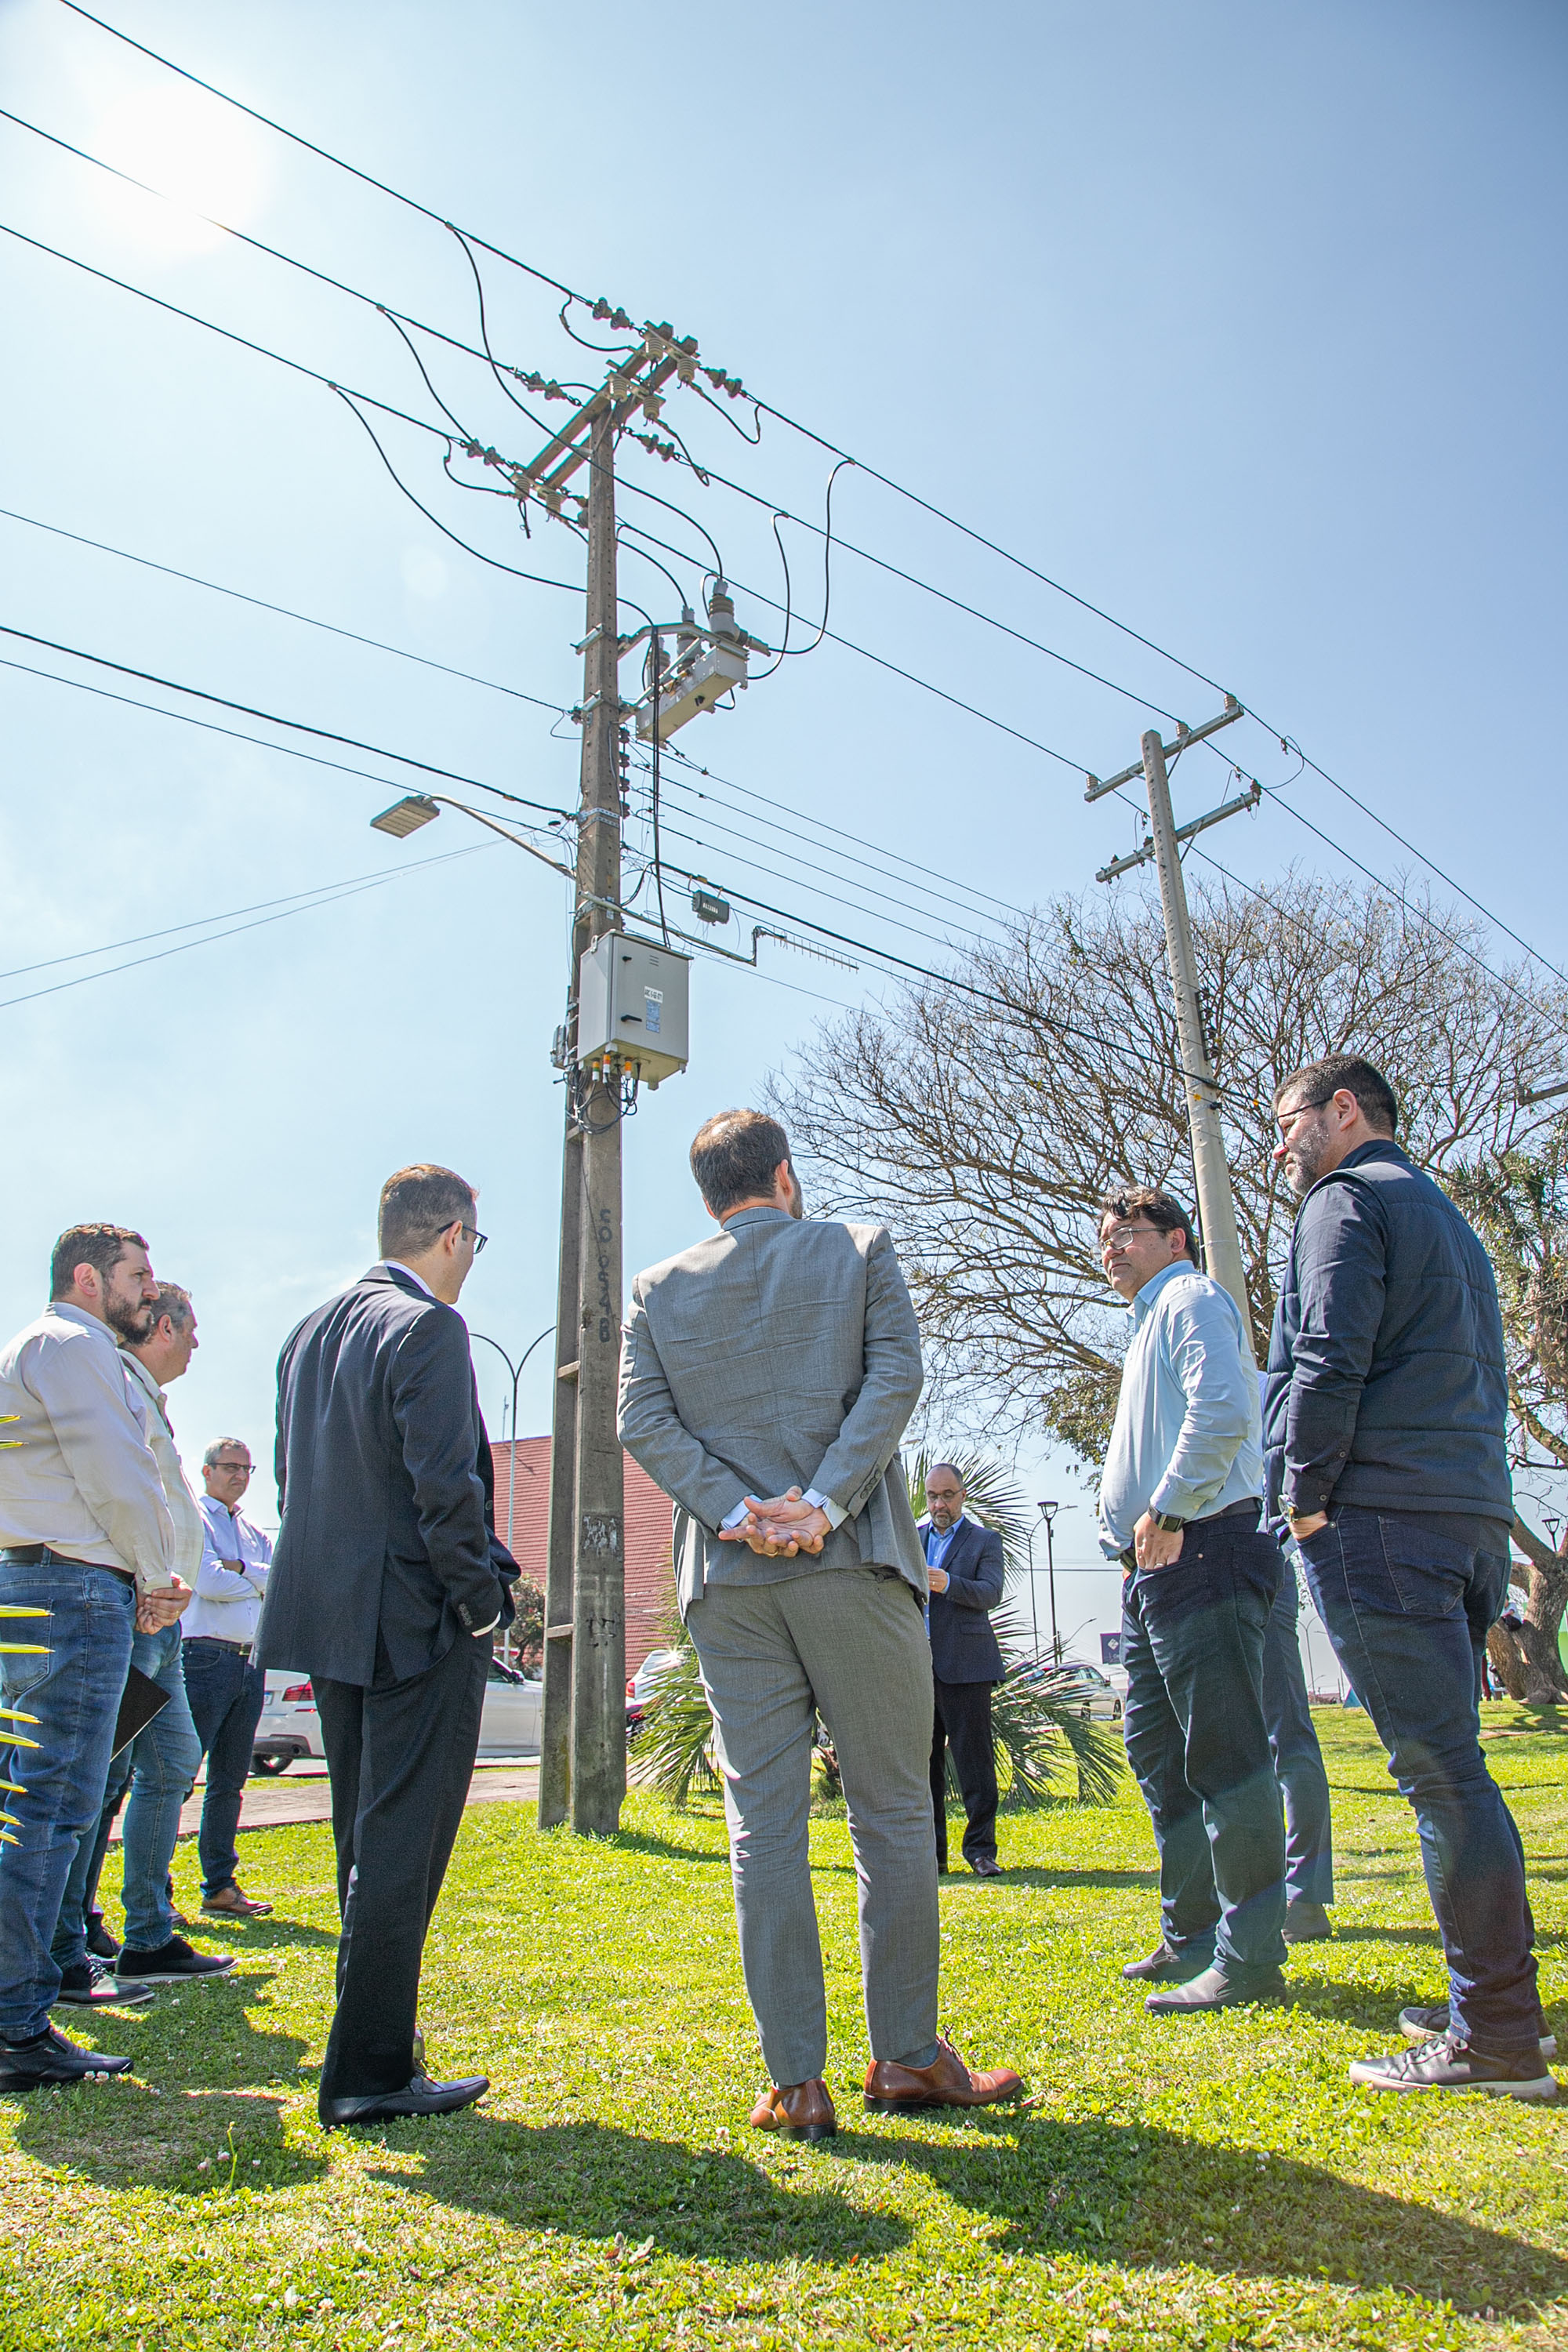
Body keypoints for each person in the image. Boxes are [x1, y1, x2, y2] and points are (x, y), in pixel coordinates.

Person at [619, 1109, 1021, 2140]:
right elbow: (898, 1376)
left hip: (728, 1579)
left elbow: (642, 1421)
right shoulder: (859, 1247)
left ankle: (796, 2081)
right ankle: (908, 2056)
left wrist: (738, 1510)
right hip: (851, 1563)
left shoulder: (657, 1291)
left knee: (763, 1825)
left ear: (710, 1195)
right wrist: (826, 1501)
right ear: (785, 1177)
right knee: (891, 1807)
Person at [1266, 1053, 1553, 2100]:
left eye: (1287, 1122)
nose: (1281, 1147)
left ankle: (1499, 2040)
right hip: (1468, 1513)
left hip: (1381, 1516)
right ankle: (1492, 2004)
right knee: (1457, 1769)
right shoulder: (1443, 1214)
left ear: (1344, 1112)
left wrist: (1302, 1492)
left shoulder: (1344, 1201)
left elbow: (1326, 1352)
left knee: (1443, 1776)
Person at [258, 1165, 517, 2129]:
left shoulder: (306, 1333)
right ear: (452, 1234)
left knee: (362, 1839)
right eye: (474, 1246)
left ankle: (376, 2042)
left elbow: (294, 1483)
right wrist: (481, 1603)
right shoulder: (428, 1328)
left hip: (330, 1617)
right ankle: (368, 2068)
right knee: (402, 1841)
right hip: (413, 1619)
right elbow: (446, 1488)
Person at [0, 1225, 188, 2092]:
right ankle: (15, 2024)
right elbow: (118, 1469)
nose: (149, 1291)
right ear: (87, 1277)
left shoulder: (47, 1348)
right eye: (138, 1276)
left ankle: (19, 2009)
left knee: (39, 1805)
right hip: (73, 1593)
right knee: (52, 1809)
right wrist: (155, 1572)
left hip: (50, 1587)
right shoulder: (73, 1345)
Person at [1097, 1185, 1287, 2014]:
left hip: (1200, 1541)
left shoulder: (1192, 1297)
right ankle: (1192, 1937)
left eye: (1127, 1234)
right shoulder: (1146, 1323)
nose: (1110, 1248)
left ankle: (1248, 1958)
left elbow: (1222, 1409)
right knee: (1159, 1755)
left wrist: (1168, 1507)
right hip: (1154, 1564)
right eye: (1102, 1238)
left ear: (1176, 1238)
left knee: (1223, 1756)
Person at [54, 1283, 233, 1998]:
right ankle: (69, 1944)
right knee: (97, 1781)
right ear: (163, 1326)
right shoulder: (115, 1382)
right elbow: (114, 1493)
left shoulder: (146, 1396)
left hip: (162, 1622)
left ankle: (143, 1934)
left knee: (160, 1766)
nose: (197, 1344)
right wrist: (150, 1579)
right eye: (191, 1330)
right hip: (137, 1615)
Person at [184, 1436, 274, 1919]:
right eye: (230, 1466)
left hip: (248, 1661)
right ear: (206, 1470)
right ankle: (154, 1893)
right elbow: (208, 1582)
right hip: (204, 1658)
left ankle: (219, 1885)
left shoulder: (252, 1530)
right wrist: (250, 1579)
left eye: (246, 1468)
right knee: (175, 1777)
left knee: (229, 1781)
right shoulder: (194, 1519)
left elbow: (278, 1579)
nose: (239, 1475)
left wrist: (239, 1567)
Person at [920, 1463, 1006, 1878]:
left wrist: (947, 1583)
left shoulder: (984, 1541)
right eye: (933, 1496)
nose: (940, 1504)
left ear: (963, 1495)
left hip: (968, 1667)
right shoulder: (911, 1540)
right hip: (917, 1669)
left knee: (974, 1762)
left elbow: (991, 1592)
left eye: (948, 1495)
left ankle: (980, 1852)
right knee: (925, 1764)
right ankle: (934, 1856)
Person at [1262, 1545, 1335, 1943]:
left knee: (1287, 1737)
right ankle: (1275, 1895)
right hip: (1217, 1568)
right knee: (1257, 1742)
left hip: (1251, 1561)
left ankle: (1304, 1897)